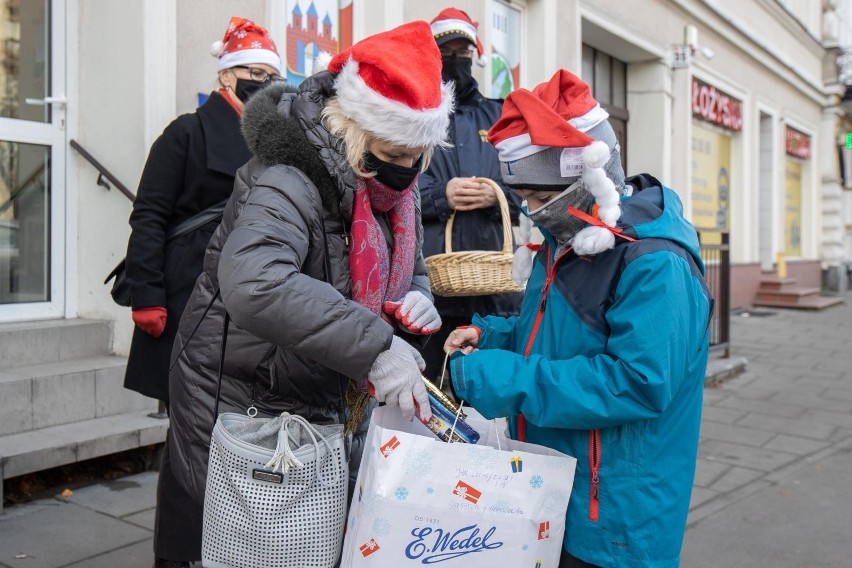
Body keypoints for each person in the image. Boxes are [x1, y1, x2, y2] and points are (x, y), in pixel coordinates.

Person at [166, 20, 451, 564]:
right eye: (390, 154)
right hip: (243, 391)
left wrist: (418, 297)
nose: (405, 171)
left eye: (416, 157)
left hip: (314, 390)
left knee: (303, 542)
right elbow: (256, 283)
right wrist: (376, 346)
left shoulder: (398, 183)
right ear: (352, 128)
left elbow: (409, 268)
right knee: (252, 547)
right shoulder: (289, 177)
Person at [444, 70, 714, 568]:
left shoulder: (656, 264)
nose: (532, 211)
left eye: (538, 197)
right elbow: (549, 330)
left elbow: (635, 383)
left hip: (615, 513)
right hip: (560, 490)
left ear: (586, 179)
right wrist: (492, 335)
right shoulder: (571, 237)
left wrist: (500, 377)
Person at [119, 17, 282, 568]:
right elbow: (149, 215)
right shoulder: (185, 133)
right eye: (248, 72)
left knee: (233, 442)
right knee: (189, 447)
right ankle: (179, 556)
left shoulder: (276, 144)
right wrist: (147, 293)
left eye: (267, 73)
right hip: (187, 304)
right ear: (224, 76)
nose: (258, 80)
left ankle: (228, 550)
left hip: (248, 311)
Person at [418, 8, 523, 381]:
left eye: (463, 52)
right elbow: (394, 183)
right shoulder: (417, 115)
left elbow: (525, 187)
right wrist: (440, 195)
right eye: (447, 51)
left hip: (494, 287)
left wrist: (498, 198)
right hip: (433, 286)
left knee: (486, 391)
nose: (456, 59)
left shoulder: (498, 116)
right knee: (432, 387)